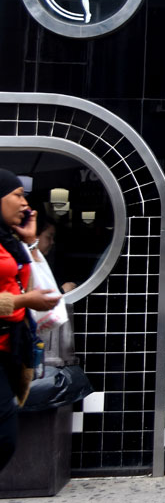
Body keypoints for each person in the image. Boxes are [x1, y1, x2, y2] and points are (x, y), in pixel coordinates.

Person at [0, 169, 61, 471]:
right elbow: (27, 296)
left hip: (9, 350)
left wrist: (30, 242)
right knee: (4, 437)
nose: (25, 204)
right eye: (18, 195)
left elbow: (42, 285)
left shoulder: (10, 242)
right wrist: (24, 301)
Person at [21, 210, 93, 413]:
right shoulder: (22, 264)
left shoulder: (38, 264)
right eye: (48, 237)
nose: (52, 242)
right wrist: (63, 293)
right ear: (34, 237)